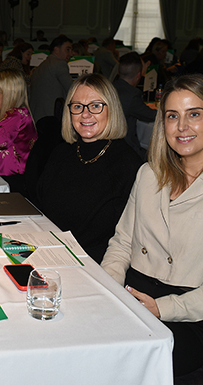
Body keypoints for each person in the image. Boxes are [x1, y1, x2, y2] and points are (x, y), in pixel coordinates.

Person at [100, 74, 203, 377]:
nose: (182, 127)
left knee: (114, 363)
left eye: (194, 114)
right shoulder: (148, 174)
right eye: (172, 116)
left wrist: (161, 309)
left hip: (188, 316)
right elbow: (122, 243)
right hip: (130, 293)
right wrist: (109, 288)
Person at [35, 73, 142, 263]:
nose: (85, 114)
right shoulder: (61, 153)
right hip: (48, 253)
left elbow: (129, 239)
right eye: (77, 106)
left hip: (95, 265)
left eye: (95, 106)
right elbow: (41, 208)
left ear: (112, 109)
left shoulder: (128, 164)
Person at [114, 52, 157, 159]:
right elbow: (151, 116)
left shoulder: (109, 87)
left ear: (118, 72)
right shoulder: (132, 95)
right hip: (126, 146)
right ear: (138, 75)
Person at [29, 35, 73, 124]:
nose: (70, 54)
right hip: (52, 117)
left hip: (37, 116)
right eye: (67, 49)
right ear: (56, 49)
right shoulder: (60, 64)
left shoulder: (41, 66)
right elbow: (71, 90)